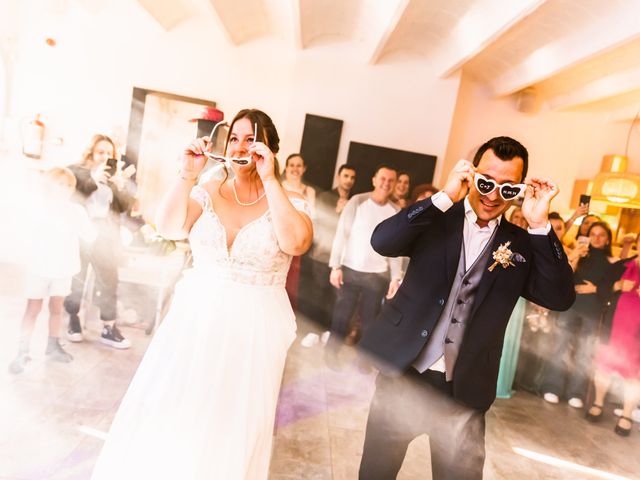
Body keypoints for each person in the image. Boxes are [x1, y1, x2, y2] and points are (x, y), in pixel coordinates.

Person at [90, 109, 313, 480]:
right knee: (177, 411)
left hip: (254, 332)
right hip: (195, 321)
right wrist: (188, 173)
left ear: (269, 148)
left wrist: (270, 179)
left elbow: (296, 241)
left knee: (233, 426)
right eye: (234, 139)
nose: (241, 147)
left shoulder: (288, 198)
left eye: (251, 139)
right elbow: (170, 227)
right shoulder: (207, 189)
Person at [356, 136, 575, 480]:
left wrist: (539, 224)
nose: (491, 195)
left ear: (517, 191)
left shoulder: (521, 244)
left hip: (465, 390)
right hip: (404, 375)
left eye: (505, 189)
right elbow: (382, 241)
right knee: (375, 474)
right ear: (472, 175)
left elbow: (560, 297)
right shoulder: (438, 216)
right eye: (486, 182)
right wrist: (443, 196)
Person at [8, 167, 95, 374]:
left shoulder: (76, 211)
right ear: (49, 186)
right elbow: (24, 233)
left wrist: (81, 224)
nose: (64, 189)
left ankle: (53, 345)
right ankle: (22, 350)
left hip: (63, 268)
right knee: (33, 309)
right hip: (39, 266)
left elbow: (90, 235)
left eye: (68, 186)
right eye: (59, 184)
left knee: (57, 309)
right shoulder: (37, 206)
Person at [325, 164, 403, 369]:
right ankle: (331, 355)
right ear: (374, 180)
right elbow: (341, 233)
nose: (386, 183)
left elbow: (397, 248)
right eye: (383, 179)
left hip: (377, 275)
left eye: (390, 180)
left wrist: (396, 277)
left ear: (394, 184)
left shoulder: (396, 211)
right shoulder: (357, 201)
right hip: (350, 269)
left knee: (370, 322)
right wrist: (335, 266)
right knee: (342, 317)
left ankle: (364, 361)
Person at [64, 134, 135, 349]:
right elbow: (70, 196)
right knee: (77, 278)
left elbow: (123, 209)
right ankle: (73, 320)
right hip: (82, 233)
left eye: (109, 153)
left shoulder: (115, 177)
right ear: (91, 153)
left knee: (109, 281)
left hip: (106, 236)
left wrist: (120, 186)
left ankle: (108, 327)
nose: (105, 157)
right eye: (101, 152)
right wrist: (94, 179)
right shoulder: (76, 171)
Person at [542, 221, 620, 409]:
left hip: (593, 310)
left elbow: (613, 288)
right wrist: (576, 255)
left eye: (602, 234)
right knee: (560, 347)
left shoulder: (613, 262)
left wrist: (595, 288)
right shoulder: (582, 254)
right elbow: (565, 275)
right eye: (593, 234)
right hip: (571, 305)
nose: (597, 238)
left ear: (608, 238)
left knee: (585, 353)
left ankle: (575, 393)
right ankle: (552, 387)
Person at [586, 235, 640, 436]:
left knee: (634, 375)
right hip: (613, 327)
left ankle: (626, 415)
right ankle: (598, 403)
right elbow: (601, 289)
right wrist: (616, 286)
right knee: (604, 366)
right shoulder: (621, 265)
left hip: (637, 335)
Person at [298, 164, 356, 347]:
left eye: (352, 177)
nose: (349, 180)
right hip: (322, 254)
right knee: (317, 294)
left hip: (342, 259)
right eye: (346, 176)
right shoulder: (325, 197)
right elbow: (318, 225)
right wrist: (338, 212)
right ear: (339, 177)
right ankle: (312, 331)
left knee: (336, 297)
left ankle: (326, 330)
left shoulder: (355, 202)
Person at [495, 207, 529, 398]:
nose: (520, 221)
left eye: (524, 218)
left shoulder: (531, 241)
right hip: (498, 293)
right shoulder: (502, 236)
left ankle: (502, 384)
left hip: (519, 297)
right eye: (516, 217)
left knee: (510, 339)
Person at [281, 153, 316, 310]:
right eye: (292, 165)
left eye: (299, 165)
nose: (295, 169)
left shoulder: (310, 191)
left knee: (292, 281)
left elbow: (311, 216)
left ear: (304, 169)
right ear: (286, 168)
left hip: (298, 238)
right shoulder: (278, 186)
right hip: (279, 236)